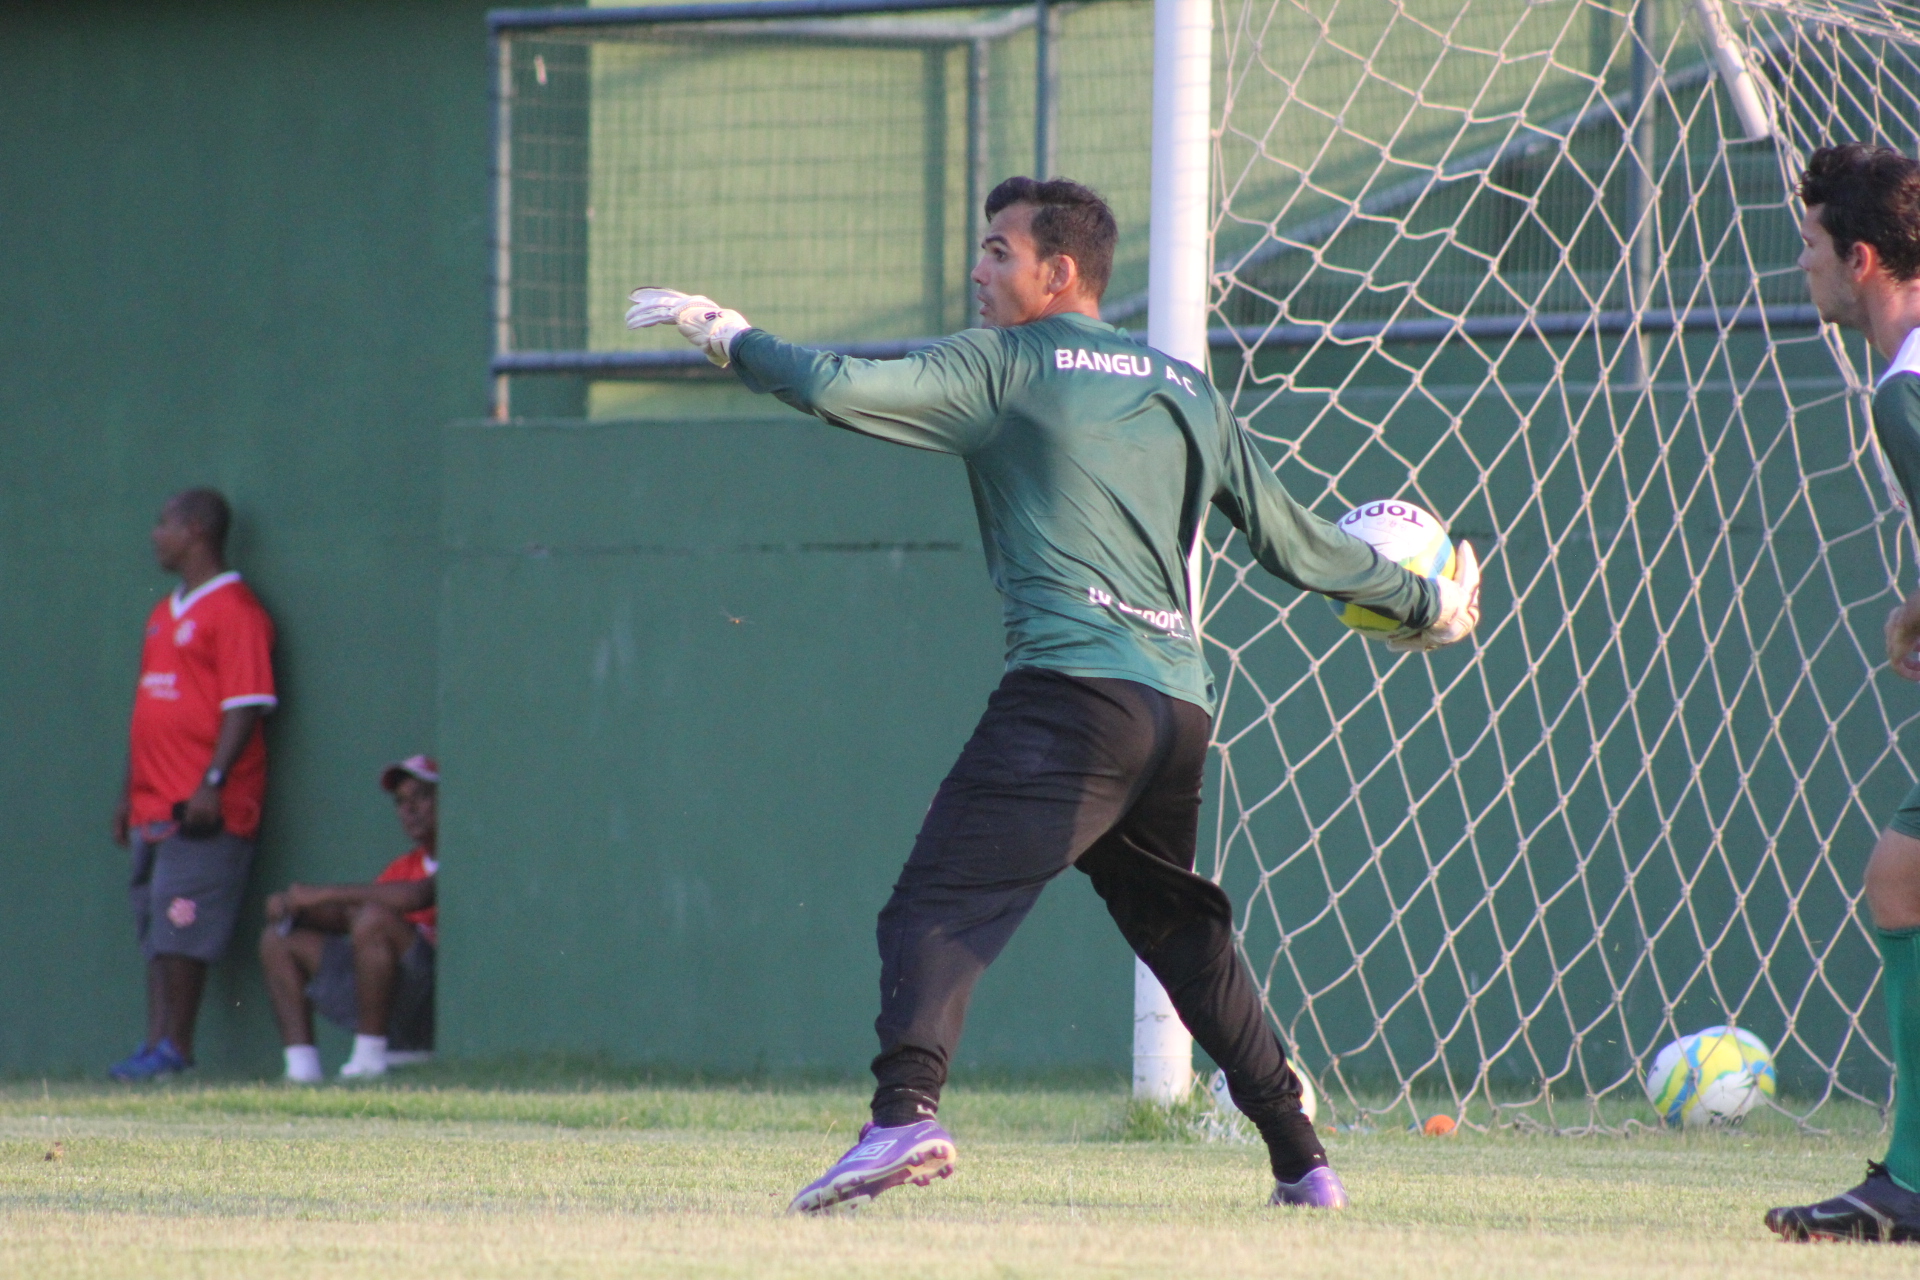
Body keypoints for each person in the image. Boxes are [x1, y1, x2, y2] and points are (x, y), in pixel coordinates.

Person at [626, 176, 1481, 1215]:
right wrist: (1419, 598)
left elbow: (838, 386)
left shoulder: (1007, 363)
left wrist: (730, 334)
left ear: (1058, 271)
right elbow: (1295, 541)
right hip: (1176, 710)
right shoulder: (1183, 387)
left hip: (1072, 695)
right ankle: (1305, 1162)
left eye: (998, 251)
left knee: (934, 901)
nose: (979, 270)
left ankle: (903, 1119)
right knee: (1180, 928)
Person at [1765, 142, 1920, 1244]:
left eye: (1812, 247)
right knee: (1901, 877)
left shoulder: (1904, 391)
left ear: (1861, 258)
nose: (1803, 268)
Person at [111, 488, 277, 1080]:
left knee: (182, 926)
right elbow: (148, 710)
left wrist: (213, 781)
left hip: (202, 810)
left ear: (198, 530)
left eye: (165, 523)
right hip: (151, 807)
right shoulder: (163, 613)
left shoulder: (236, 611)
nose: (156, 535)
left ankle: (175, 1048)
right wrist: (127, 792)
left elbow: (246, 706)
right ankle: (154, 1045)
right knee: (156, 929)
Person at [258, 755, 440, 1082]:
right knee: (279, 938)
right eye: (400, 802)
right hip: (394, 996)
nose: (409, 810)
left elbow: (417, 896)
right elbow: (352, 917)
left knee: (374, 921)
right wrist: (295, 906)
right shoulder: (405, 865)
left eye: (421, 797)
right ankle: (302, 1071)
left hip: (434, 999)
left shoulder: (462, 853)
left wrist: (321, 894)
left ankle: (369, 1059)